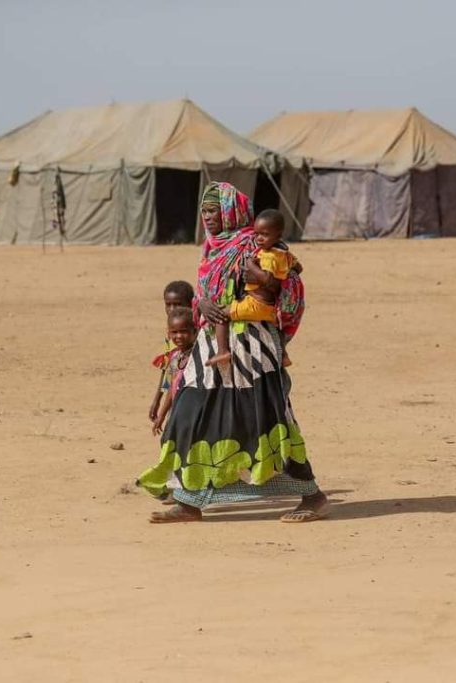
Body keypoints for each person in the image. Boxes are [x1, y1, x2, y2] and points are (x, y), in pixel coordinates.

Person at [137, 181, 326, 524]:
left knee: (267, 422)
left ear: (230, 211)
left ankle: (311, 495)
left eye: (213, 211)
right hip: (210, 348)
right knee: (190, 416)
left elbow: (286, 284)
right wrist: (205, 303)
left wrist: (247, 297)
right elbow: (202, 296)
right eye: (204, 211)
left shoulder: (256, 244)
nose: (207, 218)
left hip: (251, 350)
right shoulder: (211, 249)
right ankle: (190, 500)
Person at [206, 209, 300, 369]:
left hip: (255, 304)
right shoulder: (284, 254)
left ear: (278, 235)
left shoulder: (269, 256)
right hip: (271, 308)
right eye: (256, 234)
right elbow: (298, 268)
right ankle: (282, 355)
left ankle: (222, 351)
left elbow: (266, 279)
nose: (259, 238)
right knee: (277, 331)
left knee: (220, 313)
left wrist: (250, 265)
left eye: (265, 234)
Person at [148, 280, 195, 423]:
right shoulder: (173, 331)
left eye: (178, 304)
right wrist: (157, 399)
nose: (172, 309)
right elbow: (168, 368)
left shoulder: (193, 331)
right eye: (168, 304)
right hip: (175, 391)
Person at [151, 306, 197, 436]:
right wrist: (161, 415)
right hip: (176, 413)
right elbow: (172, 389)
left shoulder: (198, 356)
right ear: (168, 333)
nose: (179, 336)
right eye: (174, 332)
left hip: (194, 414)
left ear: (194, 330)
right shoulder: (175, 357)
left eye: (183, 331)